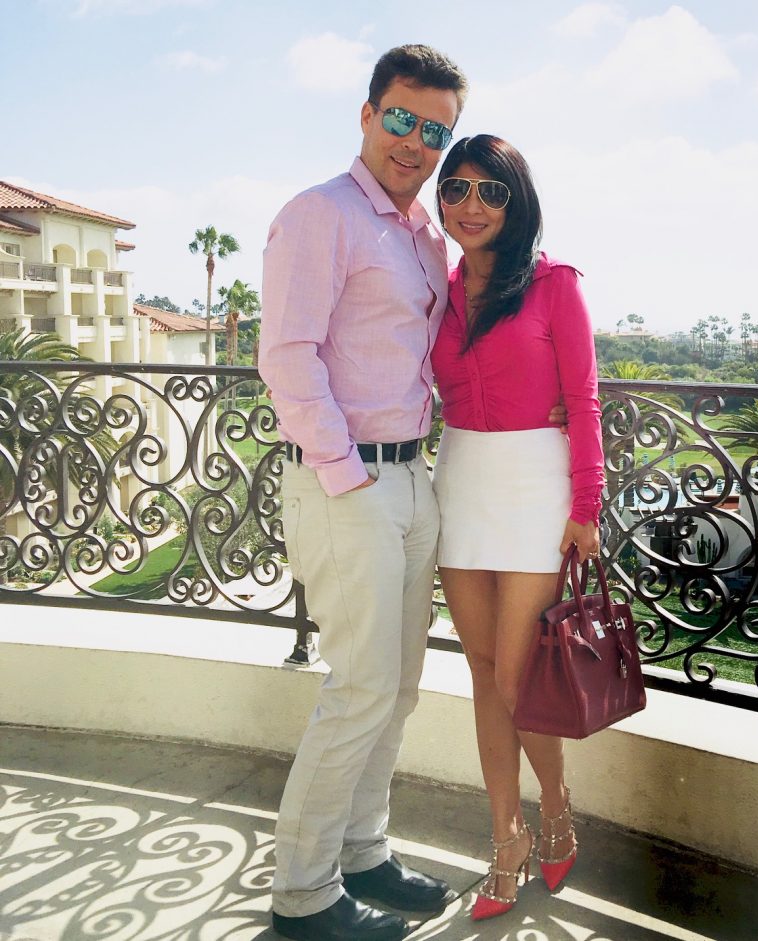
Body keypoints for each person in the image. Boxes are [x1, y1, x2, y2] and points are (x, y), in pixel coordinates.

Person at [258, 45, 467, 941]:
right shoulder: (321, 214)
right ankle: (303, 894)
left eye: (435, 131)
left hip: (411, 477)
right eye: (402, 119)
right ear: (367, 113)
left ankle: (363, 850)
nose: (415, 142)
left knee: (401, 687)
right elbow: (287, 356)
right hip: (347, 482)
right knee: (360, 688)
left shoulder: (423, 234)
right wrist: (345, 472)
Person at [430, 134, 604, 921]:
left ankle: (556, 806)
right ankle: (507, 838)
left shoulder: (554, 284)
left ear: (517, 202)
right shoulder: (438, 288)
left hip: (537, 485)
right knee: (480, 667)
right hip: (461, 478)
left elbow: (585, 398)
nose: (471, 206)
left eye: (491, 191)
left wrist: (586, 506)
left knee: (515, 675)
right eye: (457, 188)